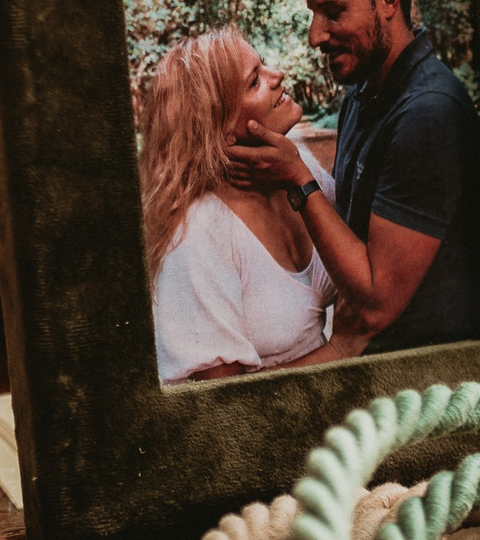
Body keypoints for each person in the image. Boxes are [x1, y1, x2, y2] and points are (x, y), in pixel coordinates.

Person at [225, 0, 480, 352]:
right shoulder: (363, 94)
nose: (315, 35)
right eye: (313, 14)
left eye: (333, 12)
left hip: (431, 373)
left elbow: (376, 305)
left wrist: (297, 178)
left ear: (388, 1)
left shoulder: (428, 113)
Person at [137, 27, 361, 384]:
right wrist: (339, 350)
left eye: (264, 65)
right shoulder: (199, 233)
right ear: (221, 127)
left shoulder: (297, 164)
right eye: (255, 81)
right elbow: (224, 402)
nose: (278, 75)